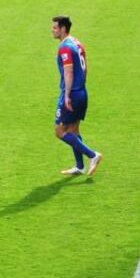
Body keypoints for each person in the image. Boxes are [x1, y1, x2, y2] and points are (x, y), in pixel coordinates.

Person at [51, 15, 102, 176]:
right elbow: (85, 68)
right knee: (73, 129)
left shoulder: (65, 47)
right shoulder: (78, 43)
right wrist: (81, 87)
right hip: (81, 92)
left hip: (72, 93)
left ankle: (93, 155)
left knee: (60, 131)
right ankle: (80, 166)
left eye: (55, 27)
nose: (52, 30)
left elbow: (69, 71)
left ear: (63, 29)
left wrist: (67, 95)